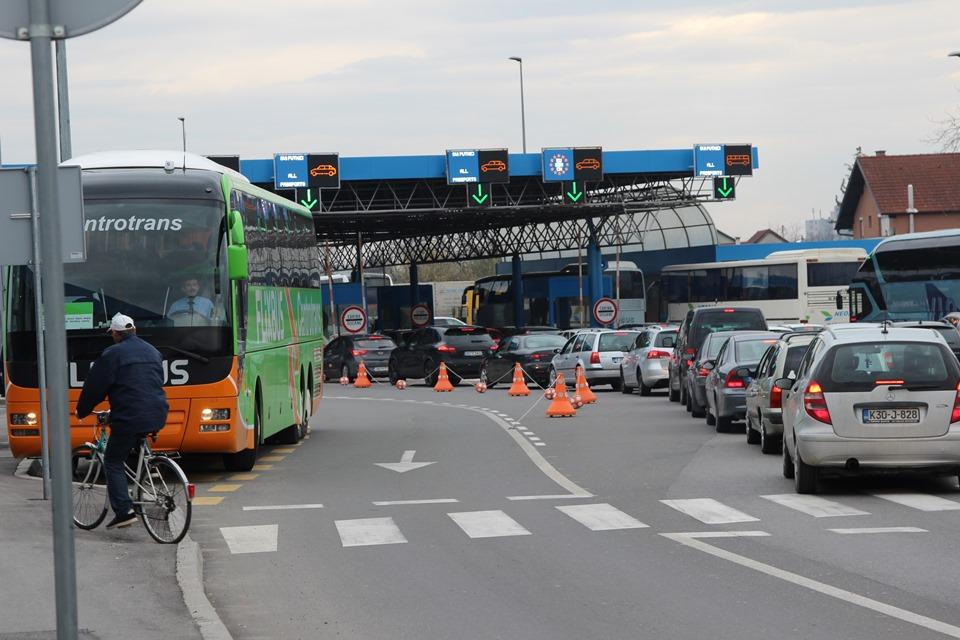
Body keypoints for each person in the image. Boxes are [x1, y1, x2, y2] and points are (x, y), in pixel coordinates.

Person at [76, 313, 169, 529]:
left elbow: (95, 387)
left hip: (130, 416)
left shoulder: (112, 354)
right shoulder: (152, 351)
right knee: (133, 444)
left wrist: (82, 410)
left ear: (116, 334)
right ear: (134, 330)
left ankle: (124, 511)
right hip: (157, 413)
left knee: (113, 461)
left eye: (113, 334)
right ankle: (145, 479)